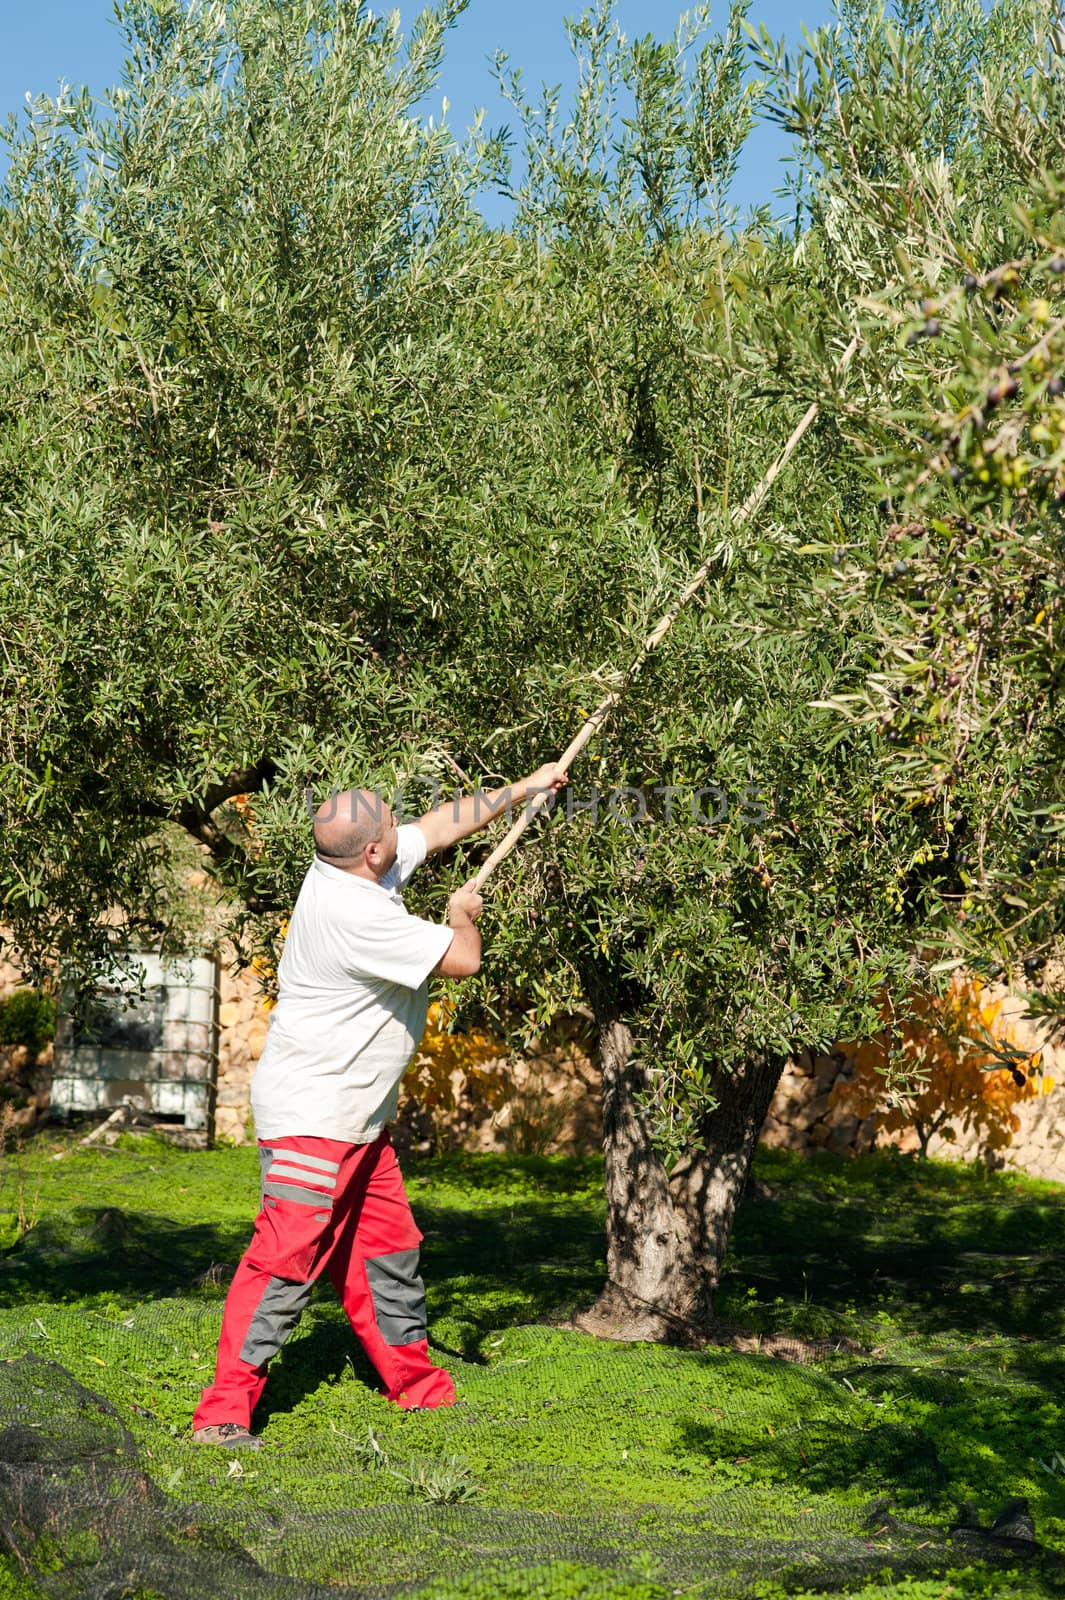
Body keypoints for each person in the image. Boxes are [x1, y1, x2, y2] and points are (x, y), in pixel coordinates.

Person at [192, 764, 567, 1449]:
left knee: (387, 1253)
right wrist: (459, 917)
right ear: (370, 850)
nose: (401, 829)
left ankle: (418, 1390)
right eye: (388, 825)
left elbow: (433, 829)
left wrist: (525, 787)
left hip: (357, 1121)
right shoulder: (354, 913)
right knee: (284, 1262)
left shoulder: (350, 870)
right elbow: (461, 960)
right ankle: (222, 1414)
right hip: (315, 1123)